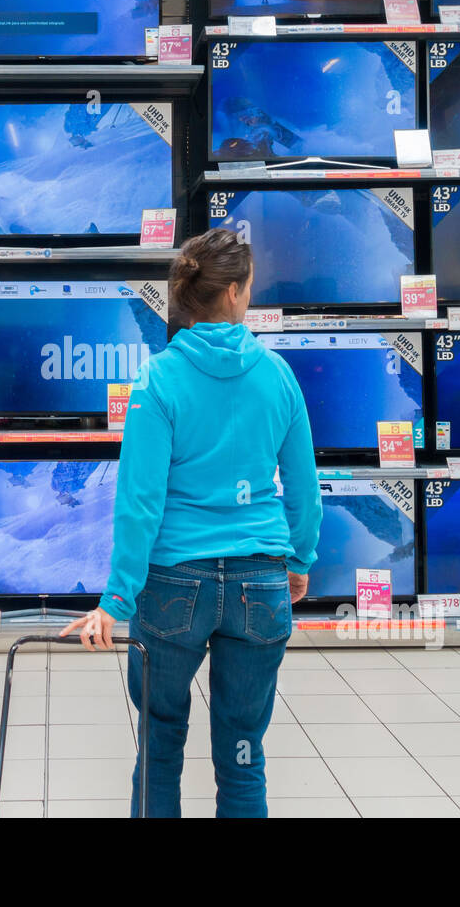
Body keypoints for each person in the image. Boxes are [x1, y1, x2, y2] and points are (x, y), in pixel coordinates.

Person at [61, 227, 322, 818]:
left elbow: (139, 503)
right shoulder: (278, 376)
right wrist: (299, 561)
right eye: (249, 285)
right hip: (262, 582)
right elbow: (304, 492)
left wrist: (117, 600)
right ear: (231, 293)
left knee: (159, 744)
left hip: (174, 585)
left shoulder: (158, 381)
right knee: (242, 752)